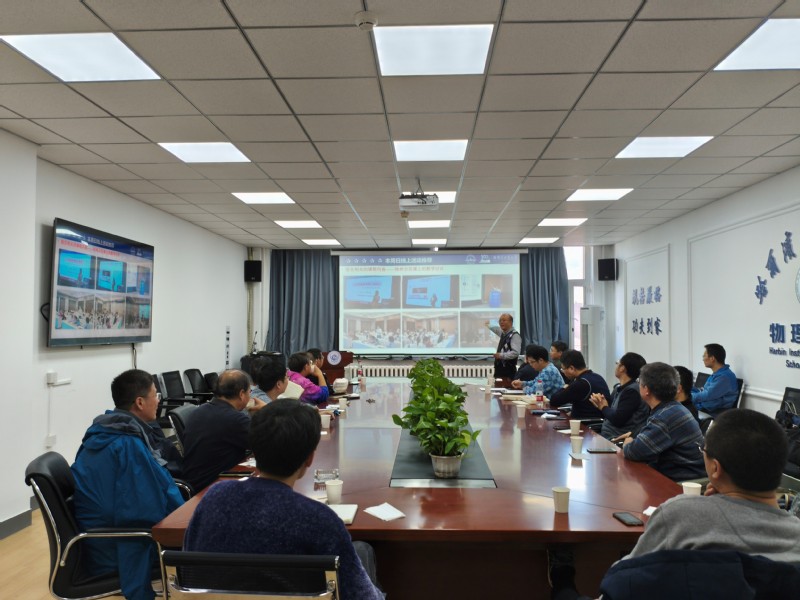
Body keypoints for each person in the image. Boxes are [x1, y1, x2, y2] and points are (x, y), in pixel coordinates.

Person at [550, 411, 800, 600]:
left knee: (564, 590)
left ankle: (561, 576)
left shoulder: (681, 515)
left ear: (715, 468)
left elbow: (621, 580)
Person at [183, 399, 383, 600]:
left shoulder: (213, 498)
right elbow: (363, 596)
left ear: (254, 451)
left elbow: (187, 568)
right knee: (362, 553)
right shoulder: (319, 519)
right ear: (309, 459)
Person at [71, 369, 184, 600]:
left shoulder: (105, 431)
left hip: (103, 540)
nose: (159, 400)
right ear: (140, 402)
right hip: (117, 548)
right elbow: (143, 510)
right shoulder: (126, 444)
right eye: (156, 395)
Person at [615, 362, 706, 482]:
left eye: (639, 382)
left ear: (646, 390)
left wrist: (628, 443)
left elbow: (635, 452)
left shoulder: (665, 416)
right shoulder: (673, 408)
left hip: (680, 483)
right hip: (679, 476)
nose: (637, 384)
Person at [181, 369, 252, 492]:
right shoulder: (235, 419)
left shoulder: (199, 411)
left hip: (195, 482)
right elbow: (269, 444)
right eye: (249, 392)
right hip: (213, 487)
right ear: (241, 394)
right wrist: (266, 410)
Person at [590, 352, 649, 440]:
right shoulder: (619, 388)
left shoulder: (632, 391)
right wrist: (600, 403)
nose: (616, 366)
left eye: (617, 363)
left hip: (616, 439)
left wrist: (603, 407)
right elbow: (609, 413)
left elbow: (618, 420)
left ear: (622, 368)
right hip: (606, 434)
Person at [548, 349, 607, 419]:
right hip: (596, 421)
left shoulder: (581, 384)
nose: (563, 372)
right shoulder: (597, 377)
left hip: (584, 424)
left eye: (563, 369)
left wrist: (564, 387)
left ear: (571, 368)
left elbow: (554, 401)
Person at [692, 343, 739, 417]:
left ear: (712, 358)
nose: (703, 359)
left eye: (704, 356)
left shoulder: (724, 377)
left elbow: (707, 395)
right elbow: (705, 392)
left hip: (714, 413)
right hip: (707, 407)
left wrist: (689, 397)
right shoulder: (718, 374)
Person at [485, 313, 522, 379]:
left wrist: (501, 355)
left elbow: (515, 353)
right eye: (500, 320)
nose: (501, 322)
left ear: (511, 322)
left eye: (504, 320)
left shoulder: (515, 335)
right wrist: (488, 325)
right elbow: (496, 329)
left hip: (508, 372)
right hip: (499, 370)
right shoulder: (503, 333)